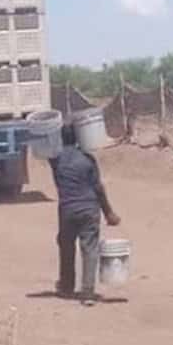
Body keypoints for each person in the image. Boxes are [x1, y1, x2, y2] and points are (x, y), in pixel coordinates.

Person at [49, 124, 122, 305]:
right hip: (89, 208)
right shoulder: (87, 159)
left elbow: (44, 151)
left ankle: (66, 286)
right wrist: (109, 212)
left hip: (67, 210)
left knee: (66, 245)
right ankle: (88, 292)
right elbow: (98, 187)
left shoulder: (56, 160)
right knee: (89, 248)